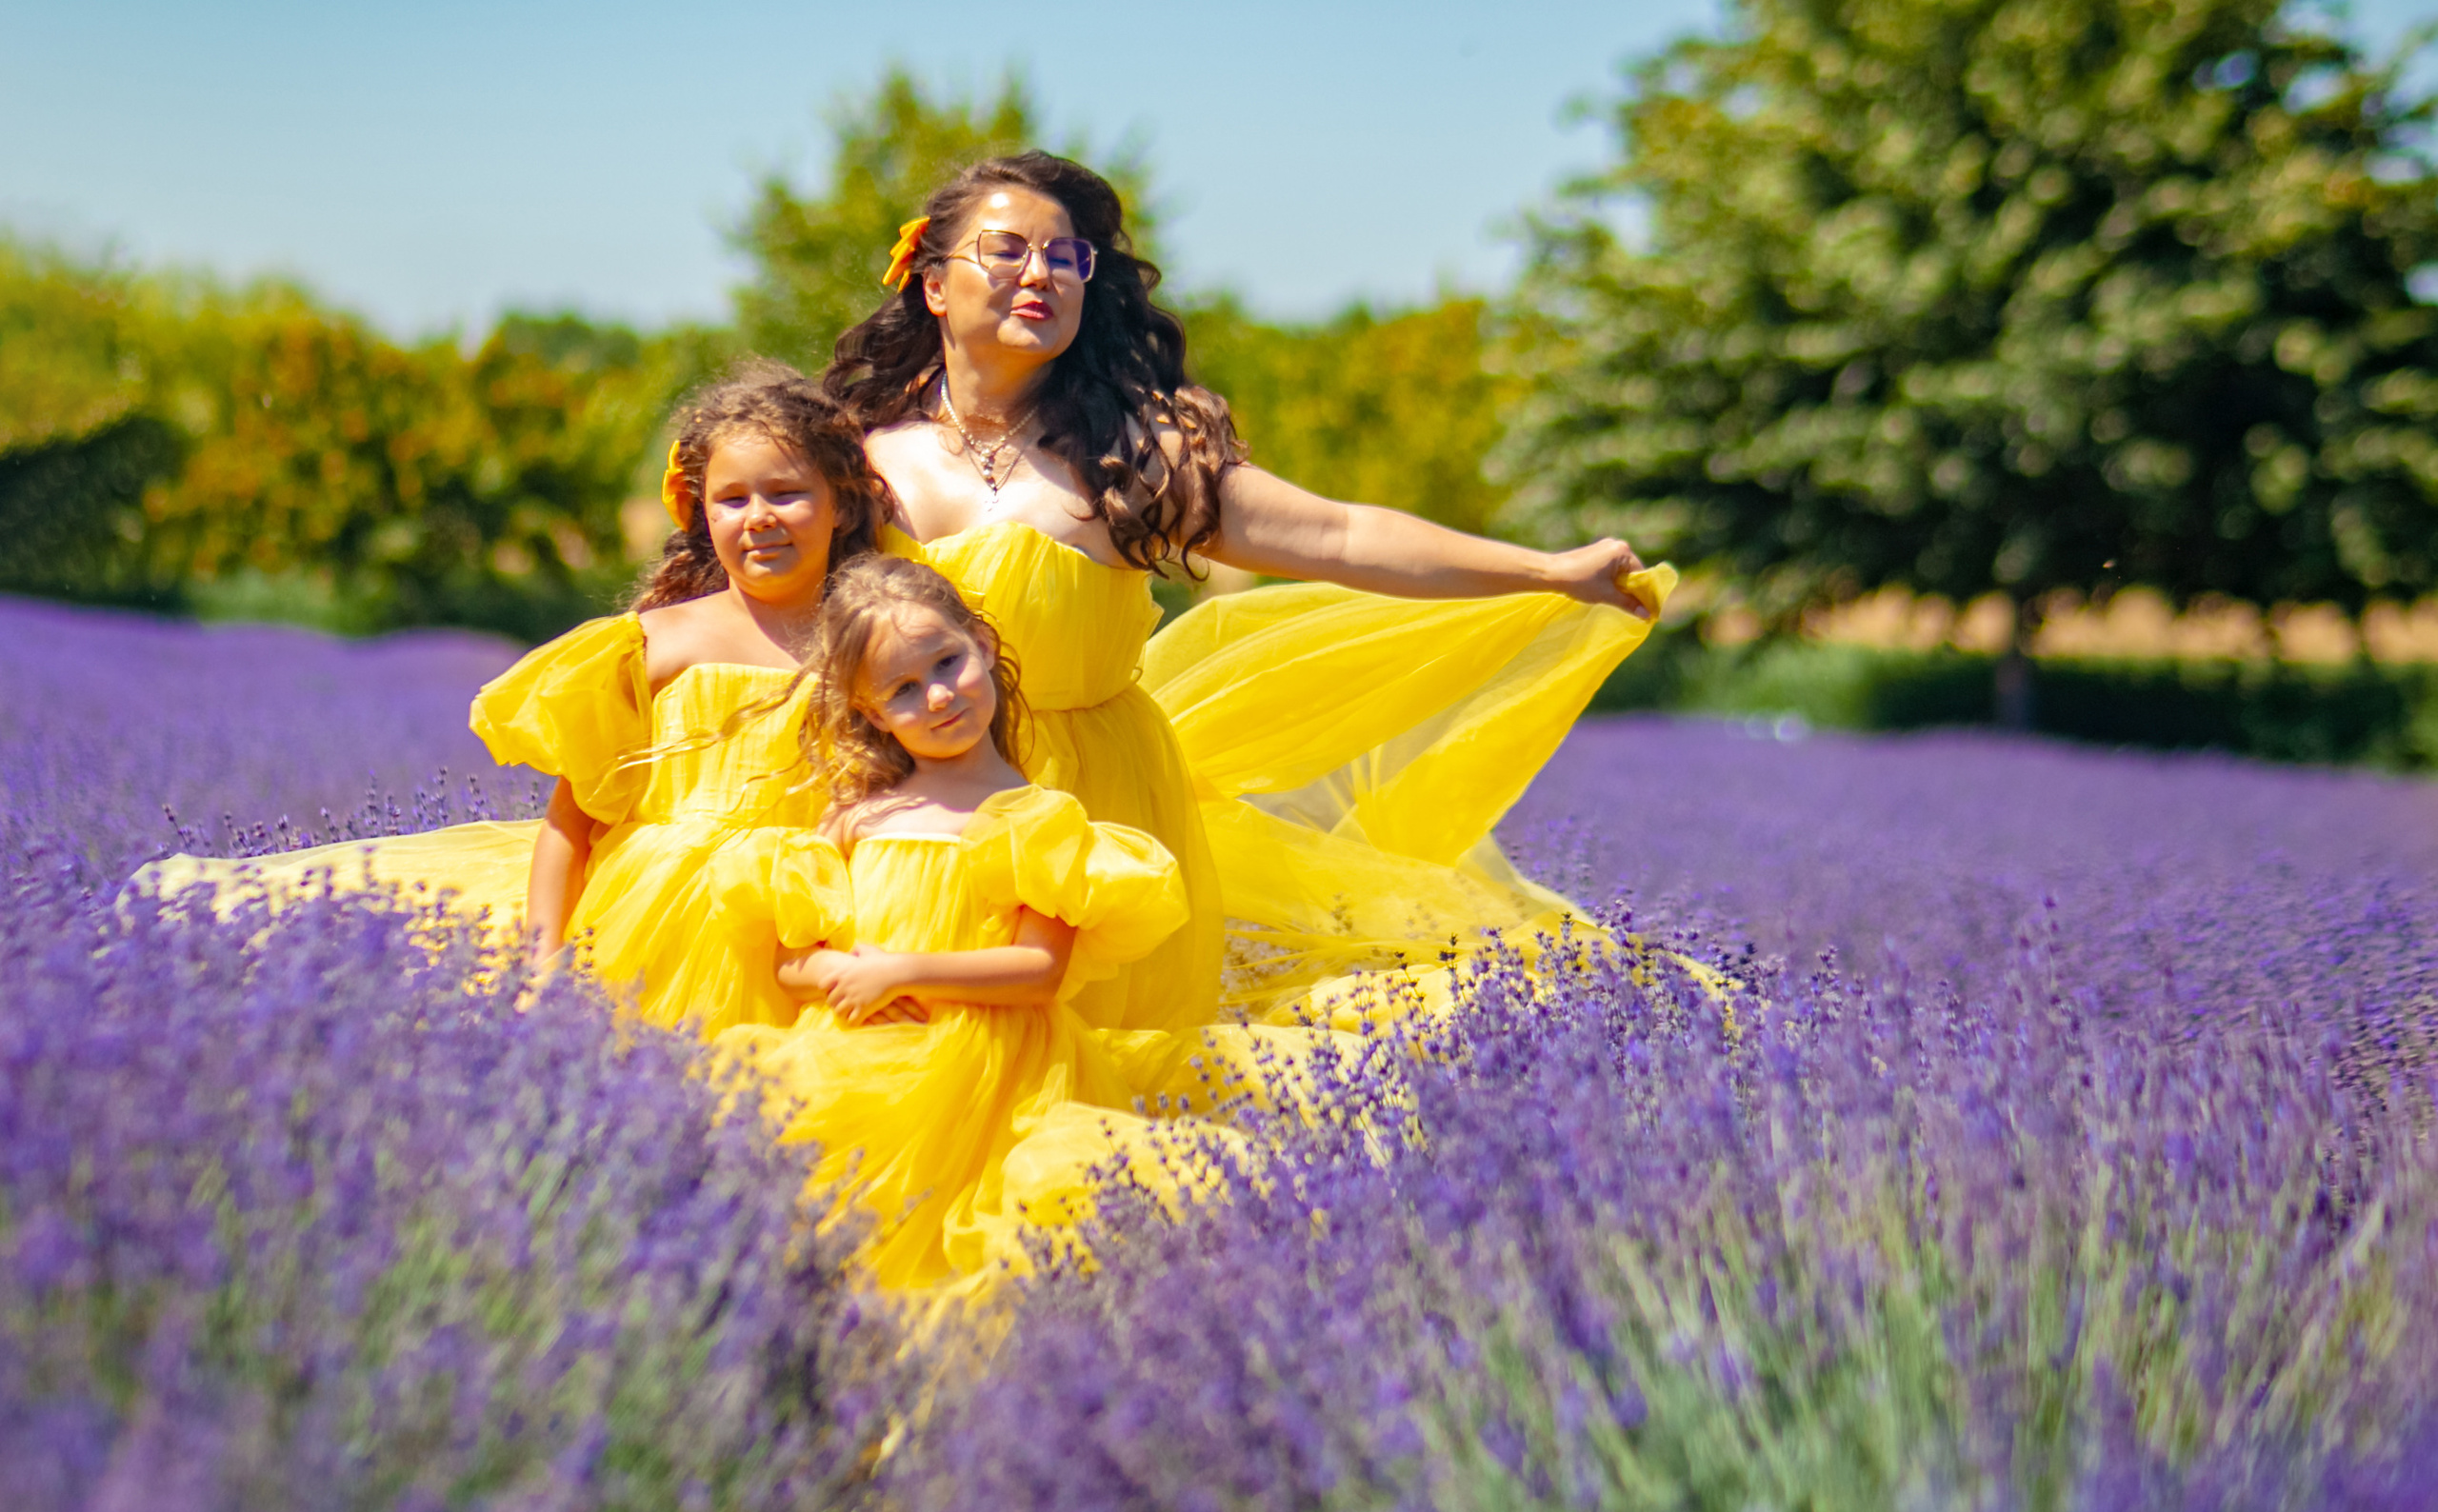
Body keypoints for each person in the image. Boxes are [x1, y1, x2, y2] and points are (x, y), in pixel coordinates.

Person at [828, 151, 1676, 1033]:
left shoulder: (1132, 457)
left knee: (1092, 1065)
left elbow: (1340, 535)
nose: (1041, 273)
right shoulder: (856, 461)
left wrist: (1548, 570)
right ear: (934, 284)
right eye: (1007, 250)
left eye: (1065, 256)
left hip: (1095, 816)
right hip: (903, 807)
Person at [140, 361, 889, 1033]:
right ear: (701, 513)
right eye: (731, 499)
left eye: (786, 493)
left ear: (843, 505)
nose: (758, 517)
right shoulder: (654, 643)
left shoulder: (876, 642)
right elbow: (570, 824)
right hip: (651, 918)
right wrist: (542, 969)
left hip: (807, 922)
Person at [709, 554, 1230, 1295]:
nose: (938, 695)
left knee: (970, 1253)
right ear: (871, 713)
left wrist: (901, 971)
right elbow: (790, 959)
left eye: (946, 662)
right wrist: (838, 972)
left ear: (981, 643)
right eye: (903, 690)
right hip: (859, 1055)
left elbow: (1040, 971)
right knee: (840, 1239)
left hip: (993, 1071)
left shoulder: (1034, 818)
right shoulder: (857, 816)